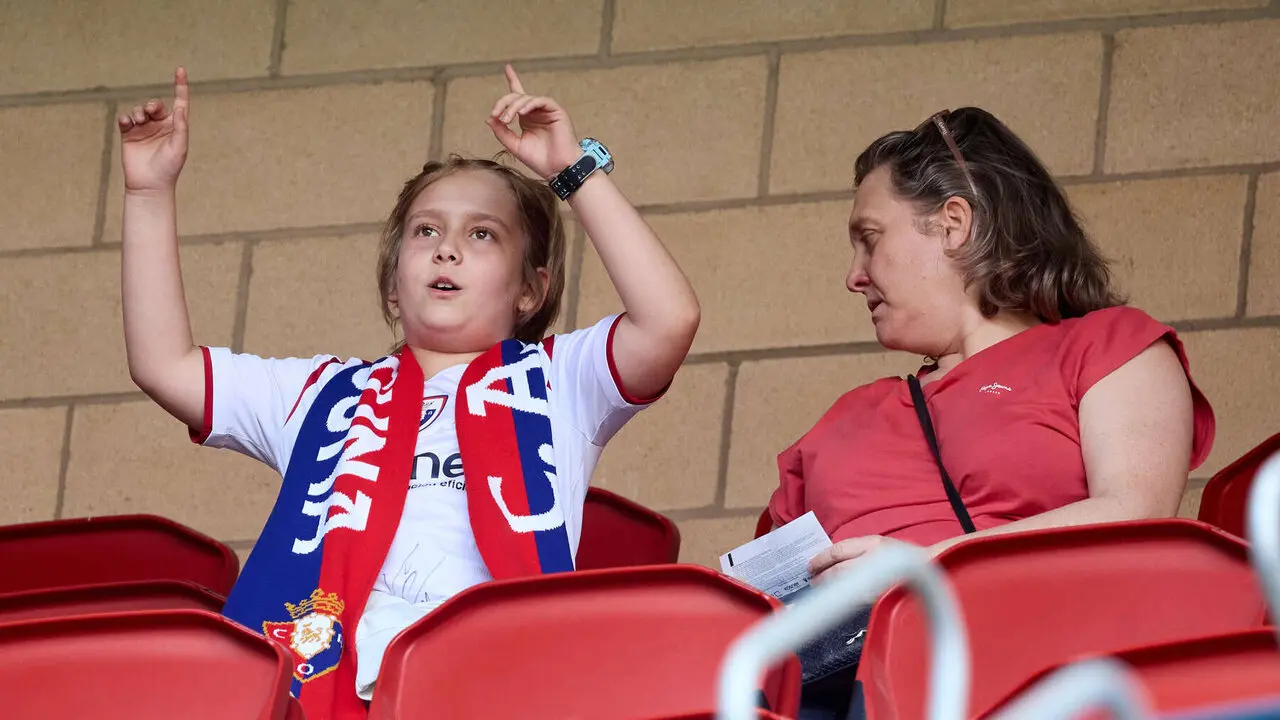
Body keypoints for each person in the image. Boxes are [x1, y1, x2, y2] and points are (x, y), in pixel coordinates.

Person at [118, 65, 699, 719]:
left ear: (531, 290)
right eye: (426, 231)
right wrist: (148, 192)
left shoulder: (558, 380)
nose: (447, 249)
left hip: (493, 689)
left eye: (482, 234)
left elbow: (668, 320)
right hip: (323, 690)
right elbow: (164, 364)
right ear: (394, 284)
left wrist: (571, 170)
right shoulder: (324, 393)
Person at [766, 107, 1215, 719]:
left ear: (953, 223)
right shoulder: (837, 424)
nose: (854, 277)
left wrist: (921, 569)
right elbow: (764, 605)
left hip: (1044, 674)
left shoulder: (1105, 346)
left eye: (870, 240)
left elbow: (1134, 514)